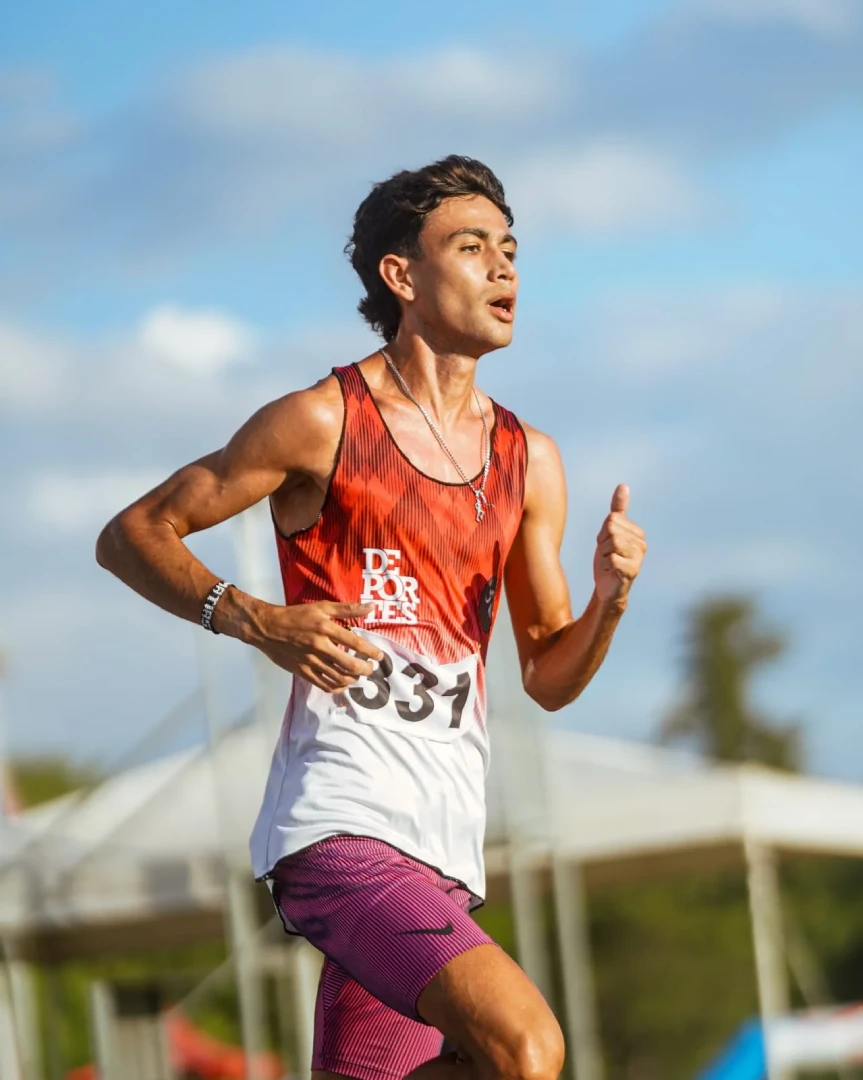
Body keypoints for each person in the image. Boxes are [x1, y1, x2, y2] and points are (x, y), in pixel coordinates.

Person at [96, 155, 646, 1080]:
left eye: (509, 250)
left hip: (445, 853)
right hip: (340, 835)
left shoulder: (529, 459)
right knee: (524, 1047)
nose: (503, 269)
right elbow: (133, 534)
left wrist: (610, 599)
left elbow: (548, 674)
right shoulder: (321, 420)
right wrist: (258, 619)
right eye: (470, 248)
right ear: (401, 276)